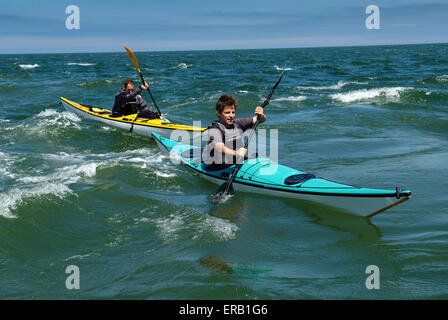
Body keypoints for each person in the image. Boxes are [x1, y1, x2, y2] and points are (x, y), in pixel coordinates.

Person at [203, 94, 266, 170]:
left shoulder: (238, 123)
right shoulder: (214, 130)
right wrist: (236, 153)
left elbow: (259, 120)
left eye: (233, 112)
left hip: (236, 162)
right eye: (227, 113)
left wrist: (261, 115)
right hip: (218, 167)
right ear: (219, 113)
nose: (231, 115)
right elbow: (219, 148)